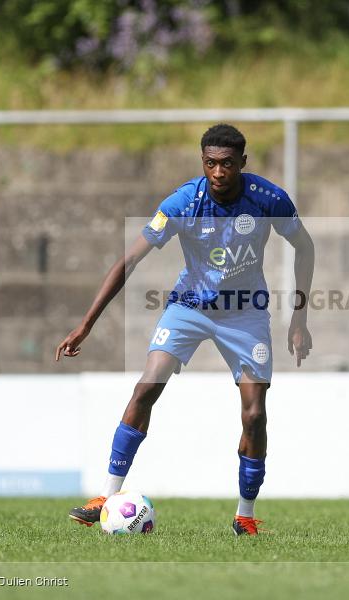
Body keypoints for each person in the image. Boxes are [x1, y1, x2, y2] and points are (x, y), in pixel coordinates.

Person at [55, 124, 315, 536]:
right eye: (210, 163)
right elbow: (129, 261)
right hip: (189, 306)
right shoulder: (183, 202)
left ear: (242, 164)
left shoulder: (268, 199)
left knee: (254, 415)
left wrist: (299, 318)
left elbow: (305, 246)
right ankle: (105, 497)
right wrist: (86, 324)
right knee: (146, 387)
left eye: (227, 164)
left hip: (246, 314)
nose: (218, 172)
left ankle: (244, 516)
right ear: (202, 162)